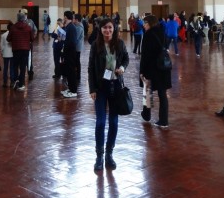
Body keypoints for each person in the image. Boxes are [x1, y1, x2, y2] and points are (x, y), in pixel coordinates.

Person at [88, 17, 129, 171]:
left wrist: (123, 68)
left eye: (110, 27)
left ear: (114, 28)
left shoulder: (119, 44)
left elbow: (126, 58)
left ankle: (109, 154)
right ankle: (99, 155)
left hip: (116, 86)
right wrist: (92, 88)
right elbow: (91, 68)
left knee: (113, 122)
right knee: (100, 122)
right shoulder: (95, 45)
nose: (107, 30)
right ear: (100, 29)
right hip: (100, 87)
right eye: (105, 28)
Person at [139, 15, 171, 129]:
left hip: (151, 68)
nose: (144, 25)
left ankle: (147, 114)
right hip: (163, 66)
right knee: (162, 94)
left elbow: (145, 55)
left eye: (145, 22)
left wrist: (142, 71)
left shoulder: (148, 35)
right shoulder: (162, 32)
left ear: (150, 23)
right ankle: (164, 120)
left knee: (148, 91)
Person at [8, 12, 34, 91]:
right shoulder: (28, 27)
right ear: (24, 18)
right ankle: (21, 84)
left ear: (17, 18)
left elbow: (8, 38)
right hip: (25, 49)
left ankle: (15, 80)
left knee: (15, 66)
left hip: (16, 49)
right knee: (23, 67)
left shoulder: (13, 27)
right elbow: (32, 39)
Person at [61, 10, 78, 98]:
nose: (63, 18)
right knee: (68, 71)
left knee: (71, 72)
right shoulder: (68, 27)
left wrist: (65, 47)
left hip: (70, 53)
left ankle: (73, 91)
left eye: (64, 17)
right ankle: (70, 88)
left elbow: (72, 42)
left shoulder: (71, 27)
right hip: (67, 53)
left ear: (65, 17)